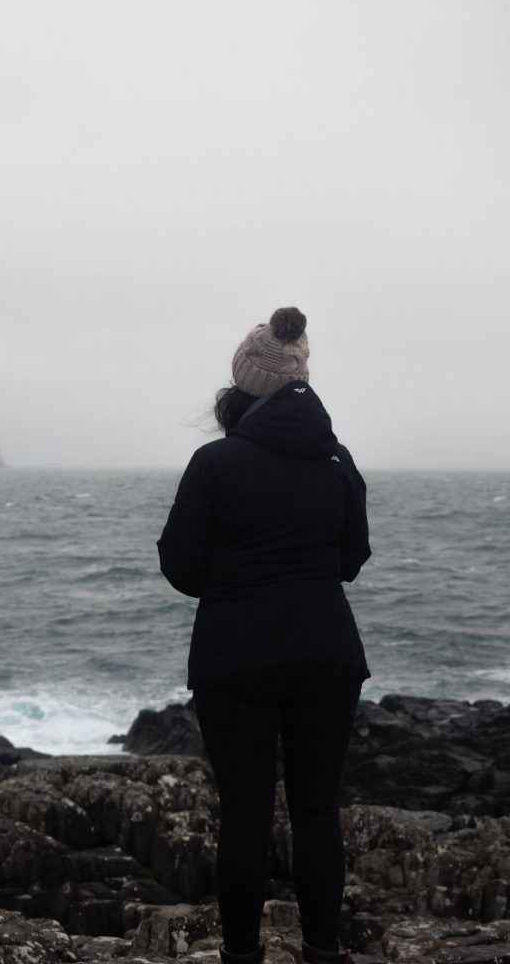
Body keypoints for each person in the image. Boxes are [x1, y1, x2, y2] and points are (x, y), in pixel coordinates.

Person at [157, 307, 371, 964]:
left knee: (246, 814)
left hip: (235, 656)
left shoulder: (215, 463)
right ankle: (324, 951)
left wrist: (235, 582)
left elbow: (180, 565)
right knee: (316, 808)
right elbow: (351, 559)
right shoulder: (337, 461)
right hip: (326, 653)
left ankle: (243, 957)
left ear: (241, 386)